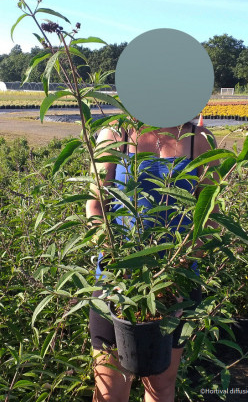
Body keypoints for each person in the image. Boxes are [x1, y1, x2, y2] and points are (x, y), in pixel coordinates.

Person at [85, 118, 218, 402]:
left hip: (178, 284)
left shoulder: (200, 139)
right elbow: (96, 206)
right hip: (115, 285)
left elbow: (210, 218)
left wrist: (180, 270)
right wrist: (115, 265)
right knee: (109, 392)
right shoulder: (114, 133)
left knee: (161, 386)